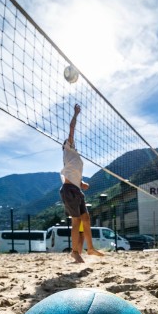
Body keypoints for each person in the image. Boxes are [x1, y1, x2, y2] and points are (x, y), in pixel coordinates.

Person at [59, 104, 103, 263]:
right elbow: (71, 128)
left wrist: (82, 183)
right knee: (76, 221)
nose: (72, 141)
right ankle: (75, 252)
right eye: (70, 141)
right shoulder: (68, 149)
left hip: (75, 189)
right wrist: (76, 113)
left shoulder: (74, 158)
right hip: (69, 190)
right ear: (66, 145)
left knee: (86, 218)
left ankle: (90, 248)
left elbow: (73, 176)